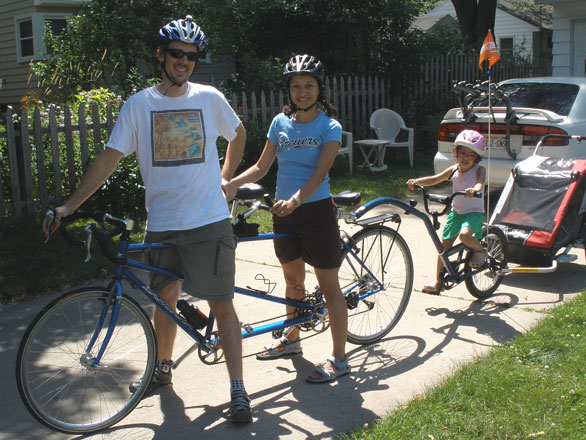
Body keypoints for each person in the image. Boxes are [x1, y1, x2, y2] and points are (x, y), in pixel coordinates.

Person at [42, 16, 252, 424]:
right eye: (177, 54)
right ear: (161, 55)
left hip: (208, 220)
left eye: (191, 56)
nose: (184, 62)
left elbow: (239, 133)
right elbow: (108, 159)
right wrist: (69, 205)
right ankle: (164, 366)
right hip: (163, 223)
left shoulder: (209, 97)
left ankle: (238, 387)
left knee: (221, 305)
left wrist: (226, 176)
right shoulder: (139, 105)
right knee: (165, 302)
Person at [224, 54, 349, 383]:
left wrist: (296, 200)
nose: (303, 92)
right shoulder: (280, 124)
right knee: (293, 282)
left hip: (316, 212)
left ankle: (339, 357)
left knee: (329, 286)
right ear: (289, 90)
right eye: (297, 86)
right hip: (286, 215)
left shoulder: (329, 127)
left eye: (309, 86)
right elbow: (262, 167)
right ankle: (292, 341)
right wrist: (229, 184)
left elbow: (320, 173)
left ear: (319, 89)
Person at [406, 129, 487, 295]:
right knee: (443, 248)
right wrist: (417, 181)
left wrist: (475, 189)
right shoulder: (454, 170)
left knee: (465, 236)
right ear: (455, 153)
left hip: (473, 213)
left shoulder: (479, 170)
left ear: (477, 158)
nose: (465, 157)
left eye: (470, 155)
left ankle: (480, 251)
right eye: (462, 152)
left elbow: (480, 182)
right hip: (456, 213)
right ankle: (437, 282)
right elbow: (435, 179)